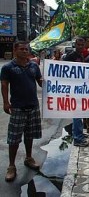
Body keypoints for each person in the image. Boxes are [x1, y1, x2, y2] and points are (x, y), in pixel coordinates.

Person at [1, 41, 43, 182]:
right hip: (17, 107)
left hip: (33, 106)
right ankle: (11, 166)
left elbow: (40, 81)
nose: (25, 51)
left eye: (26, 49)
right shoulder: (8, 67)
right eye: (22, 49)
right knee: (14, 138)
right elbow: (4, 84)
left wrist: (54, 82)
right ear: (15, 50)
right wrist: (6, 102)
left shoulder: (34, 66)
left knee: (29, 135)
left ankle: (29, 158)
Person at [64, 36, 89, 147]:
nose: (80, 46)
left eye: (82, 44)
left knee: (80, 113)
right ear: (75, 45)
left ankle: (79, 134)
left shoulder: (82, 56)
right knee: (77, 114)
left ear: (84, 45)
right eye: (78, 45)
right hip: (74, 89)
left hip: (81, 88)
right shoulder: (70, 56)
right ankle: (78, 138)